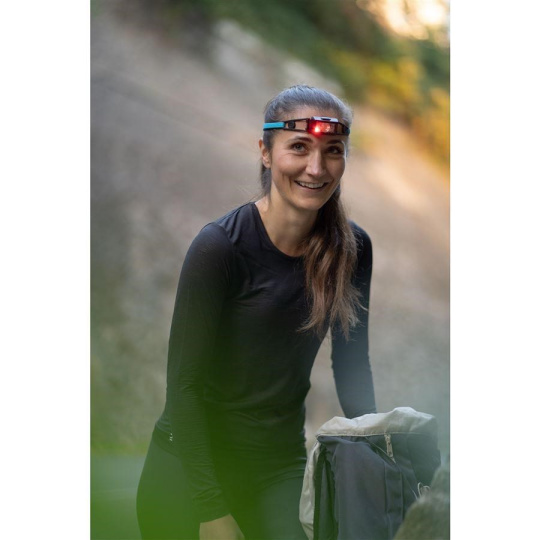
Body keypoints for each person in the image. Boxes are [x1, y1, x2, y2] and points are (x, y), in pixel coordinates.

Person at [136, 85, 377, 540]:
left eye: (333, 150)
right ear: (265, 152)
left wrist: (379, 455)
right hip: (189, 469)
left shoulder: (353, 248)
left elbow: (351, 366)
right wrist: (210, 509)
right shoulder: (220, 247)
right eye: (299, 148)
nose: (316, 168)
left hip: (277, 467)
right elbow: (184, 386)